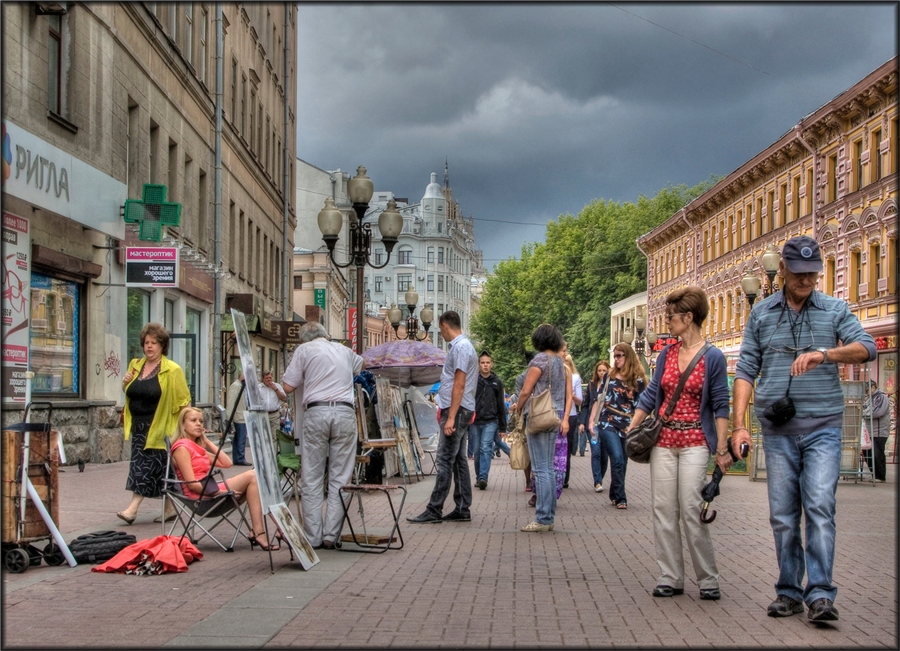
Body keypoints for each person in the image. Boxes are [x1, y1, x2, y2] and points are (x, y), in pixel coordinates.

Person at [731, 235, 875, 622]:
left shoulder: (834, 309)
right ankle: (790, 591)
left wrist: (825, 354)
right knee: (782, 514)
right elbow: (745, 370)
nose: (806, 281)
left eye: (812, 274)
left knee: (819, 507)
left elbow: (867, 346)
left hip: (823, 428)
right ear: (782, 270)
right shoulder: (760, 314)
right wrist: (739, 426)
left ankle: (821, 594)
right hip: (778, 431)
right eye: (798, 273)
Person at [627, 286, 731, 601]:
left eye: (671, 317)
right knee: (663, 508)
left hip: (696, 441)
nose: (667, 322)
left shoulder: (712, 357)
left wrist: (722, 448)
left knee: (689, 507)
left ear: (688, 317)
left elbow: (721, 404)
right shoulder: (667, 355)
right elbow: (651, 393)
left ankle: (708, 578)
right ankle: (670, 576)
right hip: (664, 439)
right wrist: (632, 427)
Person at [282, 322, 365, 550]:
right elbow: (362, 365)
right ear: (326, 335)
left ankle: (313, 537)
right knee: (341, 477)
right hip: (345, 413)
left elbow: (288, 386)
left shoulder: (304, 350)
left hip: (317, 412)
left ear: (304, 339)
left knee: (312, 477)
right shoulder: (344, 350)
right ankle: (331, 535)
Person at [170, 406, 281, 551]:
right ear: (182, 424)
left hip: (210, 490)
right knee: (253, 476)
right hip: (201, 497)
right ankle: (264, 530)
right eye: (193, 420)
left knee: (255, 478)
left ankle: (263, 530)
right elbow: (192, 484)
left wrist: (207, 442)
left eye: (201, 421)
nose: (198, 424)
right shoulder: (182, 448)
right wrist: (218, 493)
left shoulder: (195, 447)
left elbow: (226, 463)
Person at [407, 311, 479, 524]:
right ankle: (462, 507)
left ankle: (434, 509)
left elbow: (459, 382)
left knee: (445, 458)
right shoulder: (463, 347)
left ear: (445, 326)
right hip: (460, 408)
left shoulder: (461, 348)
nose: (442, 334)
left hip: (456, 410)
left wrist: (451, 416)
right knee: (457, 460)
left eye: (441, 330)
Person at [117, 323, 191, 525]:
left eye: (154, 343)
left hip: (160, 426)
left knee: (143, 467)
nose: (149, 346)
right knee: (161, 469)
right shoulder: (135, 365)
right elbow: (131, 392)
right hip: (138, 426)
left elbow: (184, 401)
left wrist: (182, 430)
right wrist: (125, 383)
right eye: (146, 343)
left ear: (162, 345)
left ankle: (132, 510)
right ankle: (169, 509)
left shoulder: (172, 370)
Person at [514, 324, 571, 532]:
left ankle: (542, 517)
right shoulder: (559, 362)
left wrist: (518, 409)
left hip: (538, 416)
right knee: (548, 468)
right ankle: (548, 516)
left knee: (540, 470)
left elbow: (526, 390)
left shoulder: (538, 360)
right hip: (554, 416)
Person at [588, 342, 645, 509]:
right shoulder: (609, 377)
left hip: (629, 424)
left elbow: (642, 406)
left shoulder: (638, 380)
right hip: (608, 421)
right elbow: (599, 400)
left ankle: (614, 492)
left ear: (628, 357)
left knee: (622, 462)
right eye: (615, 356)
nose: (616, 359)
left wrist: (637, 425)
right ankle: (621, 498)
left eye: (619, 355)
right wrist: (592, 421)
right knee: (617, 458)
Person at [471, 350, 509, 490]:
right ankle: (478, 477)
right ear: (479, 364)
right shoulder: (473, 380)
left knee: (485, 447)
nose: (485, 365)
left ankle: (483, 478)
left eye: (487, 363)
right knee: (476, 450)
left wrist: (503, 427)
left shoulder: (497, 382)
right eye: (483, 363)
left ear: (491, 364)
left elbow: (501, 404)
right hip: (475, 421)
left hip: (491, 421)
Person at [509, 351, 536, 492]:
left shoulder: (523, 378)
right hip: (528, 417)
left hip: (532, 416)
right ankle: (529, 480)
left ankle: (531, 481)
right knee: (527, 450)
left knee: (529, 450)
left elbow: (523, 398)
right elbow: (521, 396)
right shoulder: (521, 378)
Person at [582, 359, 611, 491]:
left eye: (604, 370)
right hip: (592, 423)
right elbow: (585, 405)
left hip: (606, 424)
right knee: (596, 452)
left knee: (604, 455)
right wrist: (582, 422)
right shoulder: (592, 385)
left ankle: (600, 477)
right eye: (599, 370)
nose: (601, 373)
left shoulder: (611, 385)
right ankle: (597, 482)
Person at [862, 380, 890, 482]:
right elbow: (864, 409)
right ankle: (874, 474)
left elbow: (877, 412)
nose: (866, 392)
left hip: (879, 430)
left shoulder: (881, 397)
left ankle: (880, 476)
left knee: (877, 453)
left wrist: (863, 413)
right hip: (869, 431)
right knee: (867, 452)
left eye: (867, 390)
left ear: (873, 387)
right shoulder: (868, 398)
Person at [562, 352, 583, 488]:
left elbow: (580, 400)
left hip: (571, 415)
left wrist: (572, 395)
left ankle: (565, 478)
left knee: (567, 447)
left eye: (567, 363)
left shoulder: (575, 378)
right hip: (556, 413)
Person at [225, 372, 251, 466]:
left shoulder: (242, 386)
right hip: (238, 416)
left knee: (238, 438)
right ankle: (240, 458)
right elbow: (231, 402)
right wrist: (229, 417)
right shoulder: (236, 386)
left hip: (241, 415)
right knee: (241, 438)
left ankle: (237, 458)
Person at [258, 369, 287, 445]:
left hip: (274, 415)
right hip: (263, 414)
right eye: (267, 378)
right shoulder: (259, 388)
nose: (269, 380)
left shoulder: (277, 386)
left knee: (274, 437)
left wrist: (276, 389)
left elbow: (284, 398)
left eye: (270, 377)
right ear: (263, 379)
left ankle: (273, 456)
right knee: (264, 437)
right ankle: (265, 456)